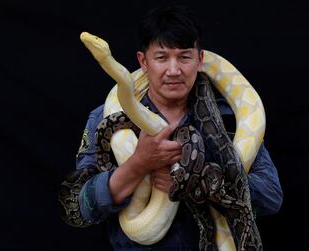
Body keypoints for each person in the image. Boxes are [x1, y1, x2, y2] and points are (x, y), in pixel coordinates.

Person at [60, 5, 283, 250]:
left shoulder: (231, 121)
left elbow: (272, 197)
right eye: (162, 57)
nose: (174, 70)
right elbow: (80, 210)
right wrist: (138, 164)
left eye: (184, 57)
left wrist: (197, 180)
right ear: (143, 62)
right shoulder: (105, 119)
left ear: (200, 60)